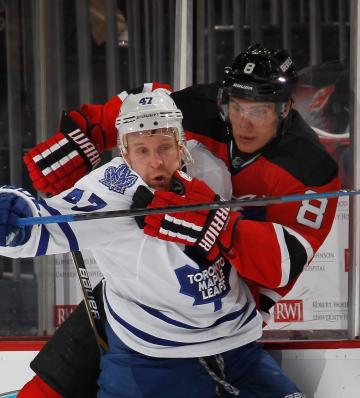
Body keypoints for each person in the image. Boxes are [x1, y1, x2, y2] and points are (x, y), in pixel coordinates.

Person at [19, 44, 339, 397]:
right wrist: (88, 134)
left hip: (220, 301)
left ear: (285, 109)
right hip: (143, 298)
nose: (243, 123)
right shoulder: (198, 109)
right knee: (74, 356)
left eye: (259, 111)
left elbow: (282, 266)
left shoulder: (311, 169)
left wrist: (218, 229)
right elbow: (141, 108)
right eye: (236, 107)